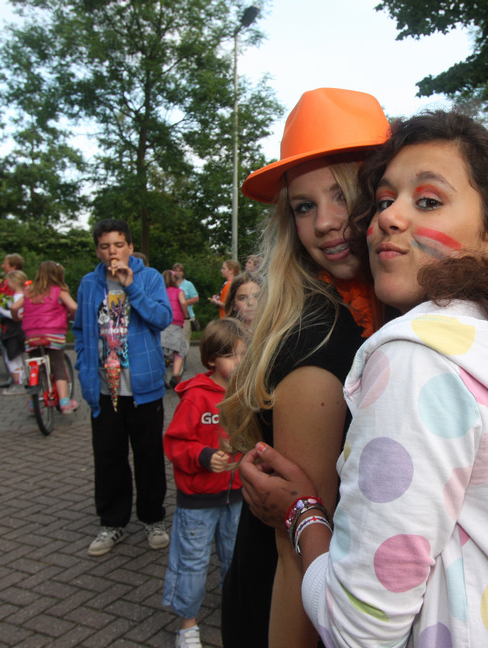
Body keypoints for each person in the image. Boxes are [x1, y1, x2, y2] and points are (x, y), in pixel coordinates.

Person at [235, 110, 488, 648]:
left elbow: (358, 629)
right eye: (383, 200)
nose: (387, 217)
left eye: (428, 200)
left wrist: (301, 513)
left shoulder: (416, 357)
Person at [220, 88, 389, 648]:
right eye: (304, 206)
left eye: (343, 194)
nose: (325, 223)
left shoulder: (389, 312)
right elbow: (296, 550)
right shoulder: (320, 341)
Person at [73, 219, 172, 557]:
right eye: (105, 246)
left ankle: (153, 518)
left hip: (143, 387)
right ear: (97, 250)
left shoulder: (150, 278)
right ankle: (112, 523)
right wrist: (84, 365)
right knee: (109, 458)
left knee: (148, 457)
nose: (111, 252)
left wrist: (131, 287)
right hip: (105, 389)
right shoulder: (89, 283)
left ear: (130, 247)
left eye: (118, 245)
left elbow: (162, 319)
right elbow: (80, 329)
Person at [163, 318, 250, 648]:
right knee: (192, 563)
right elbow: (175, 443)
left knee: (235, 557)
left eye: (244, 355)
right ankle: (187, 625)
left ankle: (235, 609)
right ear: (212, 359)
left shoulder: (245, 393)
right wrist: (202, 456)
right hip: (198, 500)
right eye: (231, 356)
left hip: (237, 495)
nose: (239, 363)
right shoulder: (196, 397)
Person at [12, 261, 79, 414]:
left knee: (34, 364)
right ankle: (64, 402)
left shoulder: (29, 291)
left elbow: (15, 307)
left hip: (32, 335)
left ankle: (33, 401)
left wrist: (17, 318)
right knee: (57, 365)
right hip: (54, 333)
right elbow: (74, 306)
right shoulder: (59, 291)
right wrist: (70, 316)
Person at [0, 254, 25, 389]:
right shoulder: (24, 294)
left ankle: (18, 382)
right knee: (17, 357)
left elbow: (17, 314)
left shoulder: (19, 296)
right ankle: (21, 380)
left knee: (12, 357)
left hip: (14, 330)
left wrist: (1, 310)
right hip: (19, 330)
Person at [162, 269, 190, 389]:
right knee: (179, 350)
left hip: (162, 323)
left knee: (162, 349)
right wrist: (186, 315)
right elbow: (183, 302)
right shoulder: (179, 291)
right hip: (176, 323)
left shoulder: (160, 291)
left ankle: (161, 376)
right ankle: (175, 375)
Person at [172, 263, 199, 340]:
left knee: (184, 339)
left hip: (186, 317)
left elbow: (196, 298)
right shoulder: (171, 285)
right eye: (176, 271)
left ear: (183, 273)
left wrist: (183, 303)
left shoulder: (188, 284)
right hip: (174, 317)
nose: (178, 273)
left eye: (180, 271)